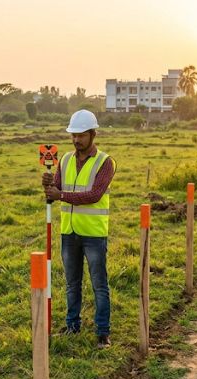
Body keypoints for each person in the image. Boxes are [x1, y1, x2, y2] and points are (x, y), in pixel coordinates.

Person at [42, 110, 117, 349]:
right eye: (73, 135)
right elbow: (56, 188)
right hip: (69, 232)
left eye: (81, 135)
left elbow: (94, 195)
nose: (76, 140)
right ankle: (72, 326)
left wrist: (60, 194)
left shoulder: (105, 162)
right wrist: (49, 185)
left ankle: (102, 333)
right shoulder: (64, 160)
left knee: (99, 285)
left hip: (93, 234)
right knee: (72, 283)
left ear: (93, 134)